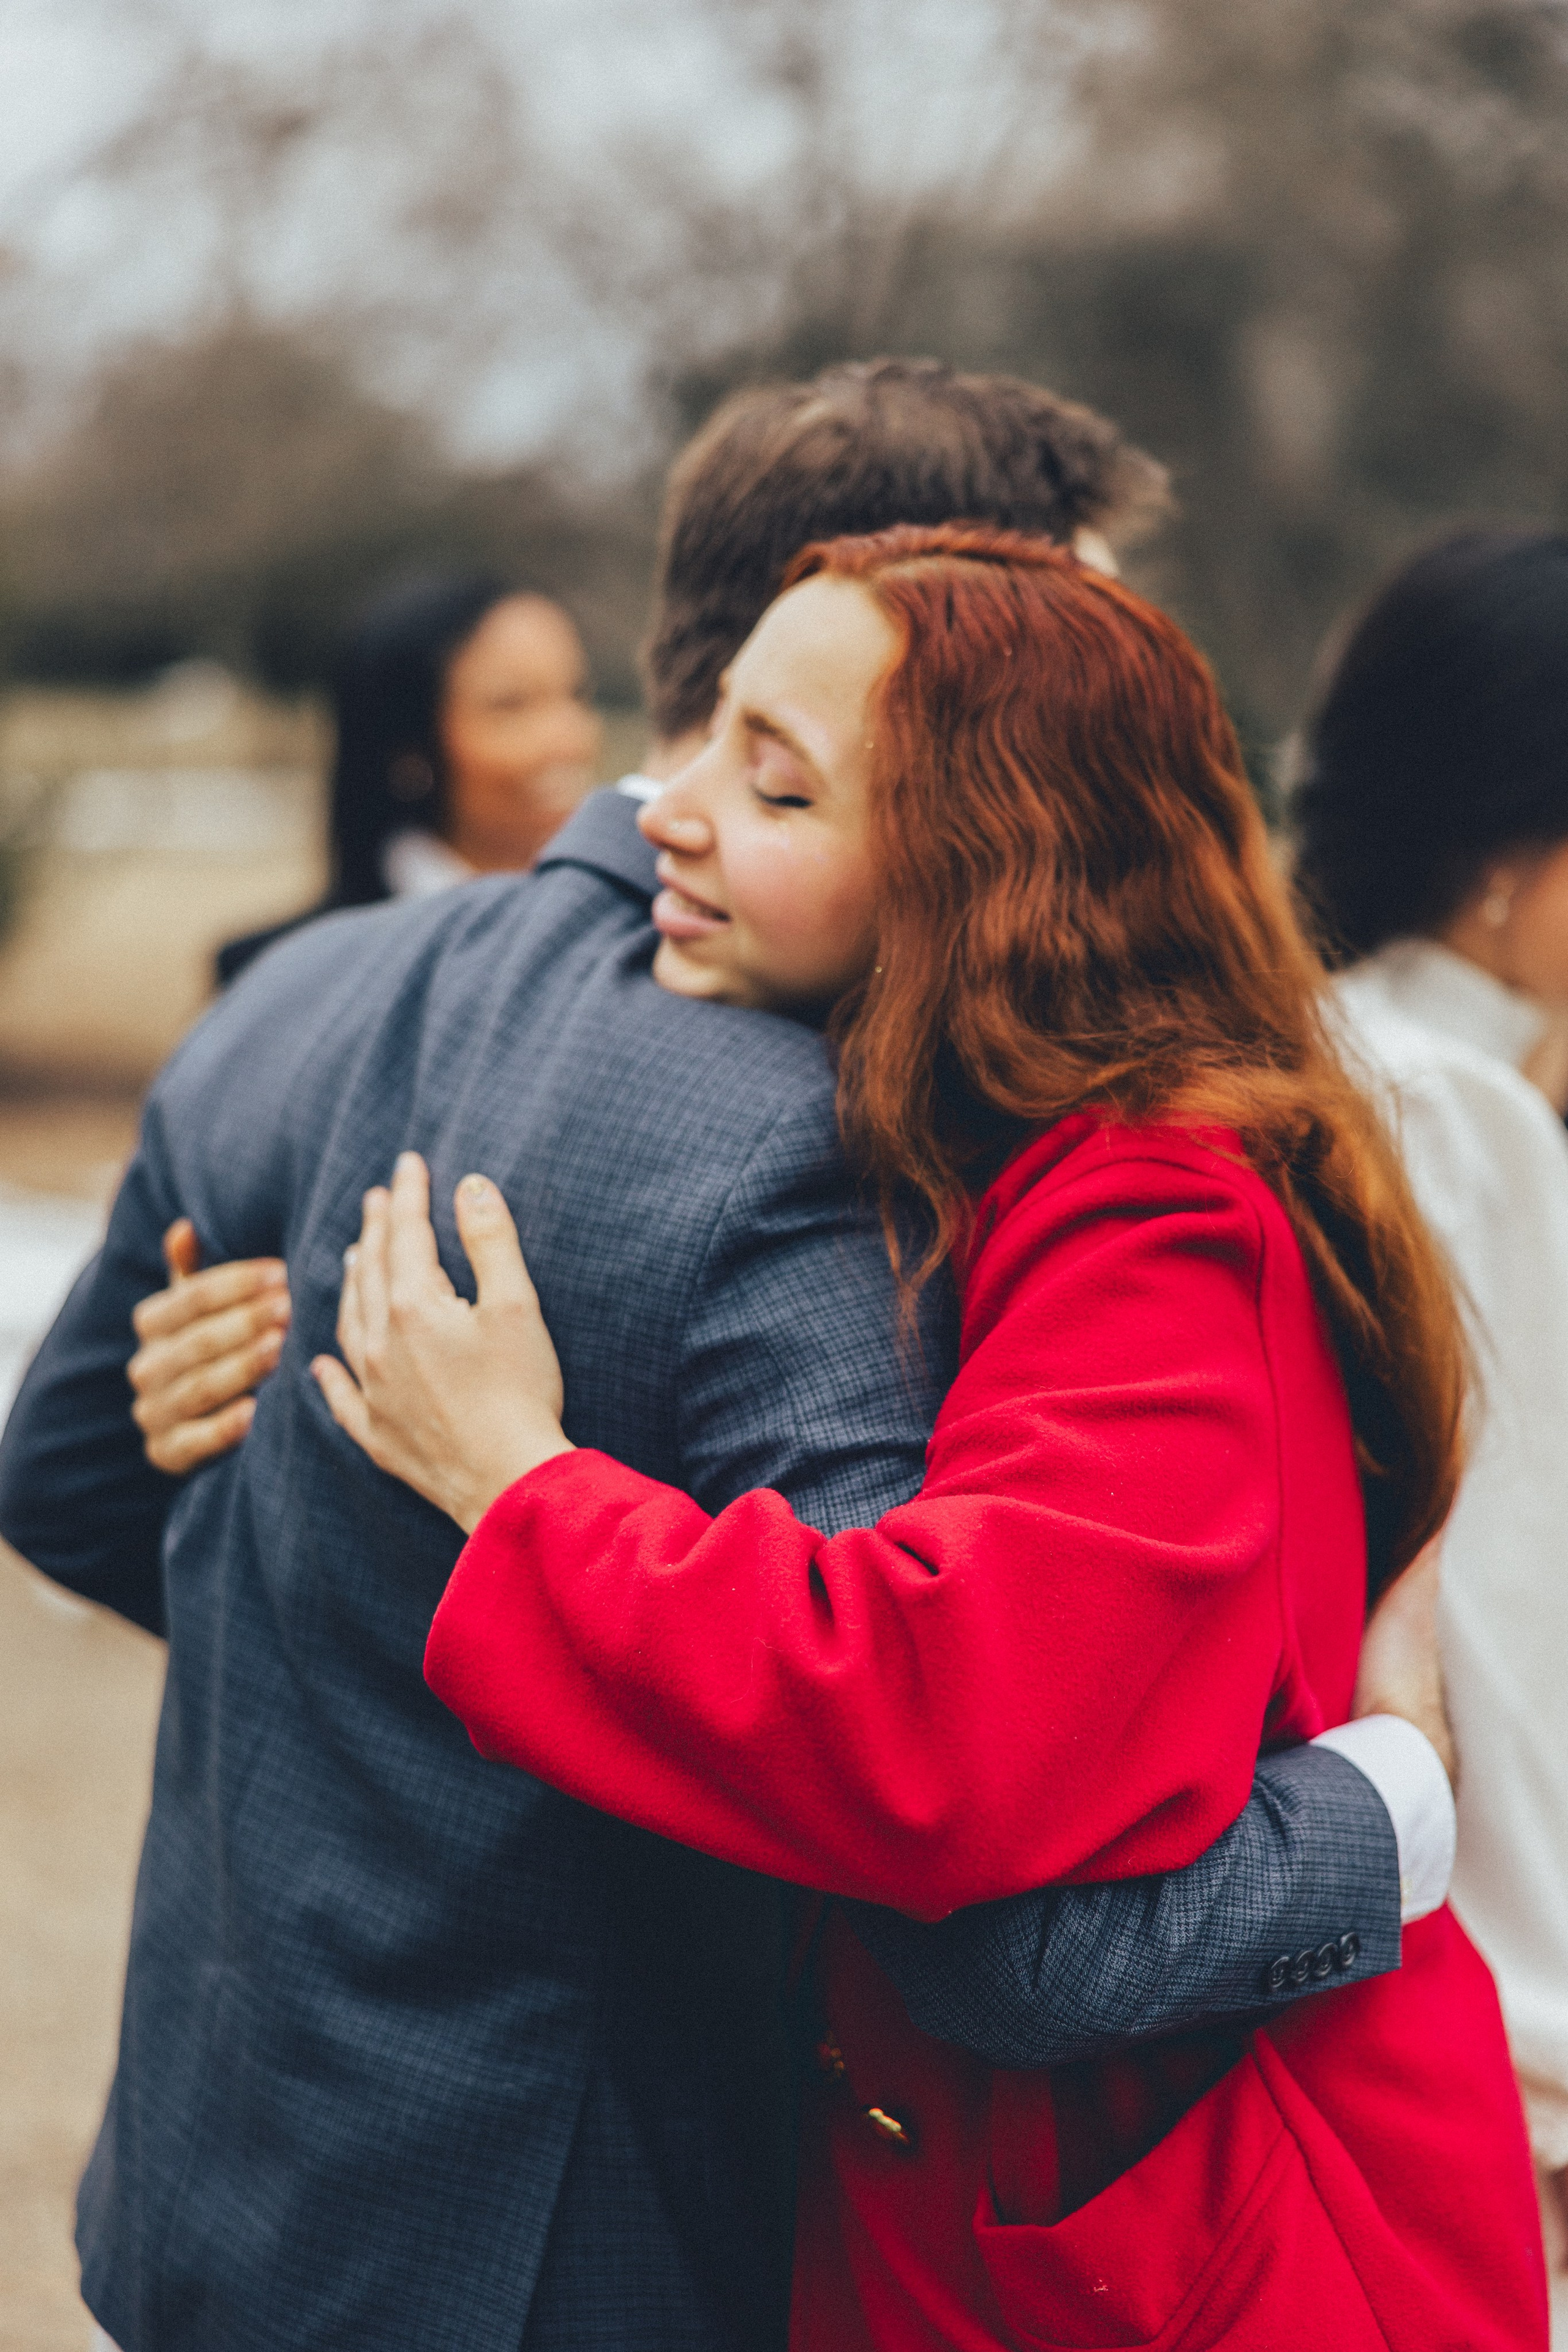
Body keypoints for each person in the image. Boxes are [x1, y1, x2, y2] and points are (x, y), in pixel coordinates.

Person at [0, 361, 1452, 2352]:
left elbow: (62, 1477)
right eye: (1080, 609)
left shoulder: (304, 986)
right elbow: (1002, 1913)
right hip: (564, 2250)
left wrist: (326, 1570)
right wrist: (1393, 1808)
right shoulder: (822, 1148)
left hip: (205, 2195)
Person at [305, 525, 1545, 2350]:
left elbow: (949, 1728)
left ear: (979, 874)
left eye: (778, 782)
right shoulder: (983, 1137)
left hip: (1217, 2250)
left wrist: (525, 1485)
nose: (673, 807)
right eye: (712, 733)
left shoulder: (1152, 1202)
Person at [1292, 526, 1568, 2325]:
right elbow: (1511, 1627)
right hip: (1501, 2061)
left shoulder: (1315, 1051)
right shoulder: (1447, 1118)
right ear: (1509, 841)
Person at [216, 573, 601, 984]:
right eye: (511, 706)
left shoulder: (618, 941)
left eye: (576, 695)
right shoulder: (279, 975)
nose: (572, 740)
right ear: (408, 748)